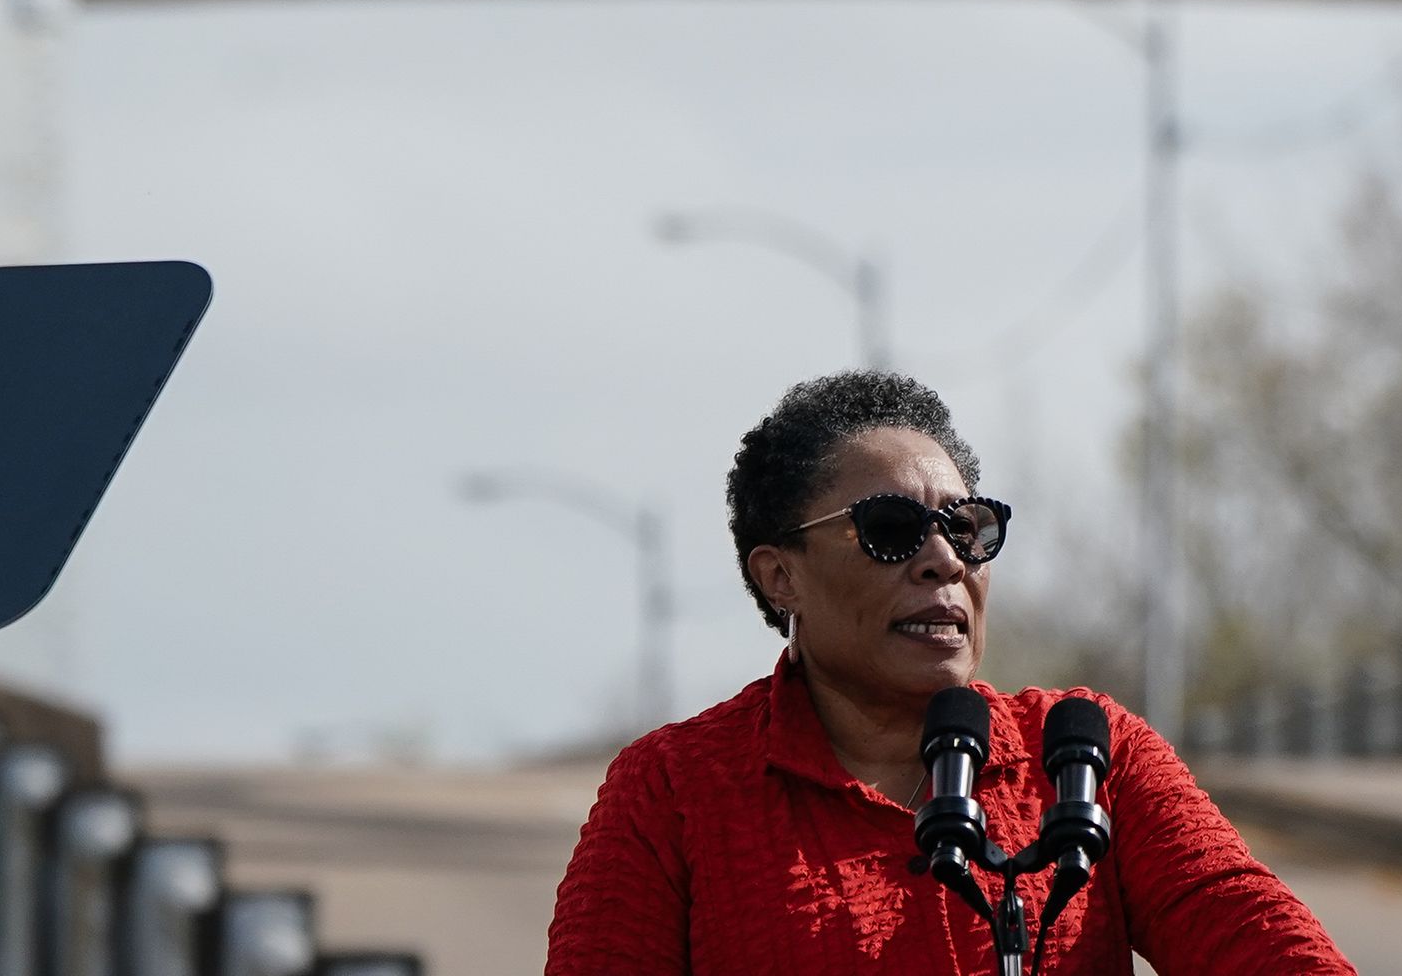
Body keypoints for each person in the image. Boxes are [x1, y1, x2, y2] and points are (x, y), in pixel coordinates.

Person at [546, 371, 1354, 975]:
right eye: (890, 529)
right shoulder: (675, 790)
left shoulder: (1086, 757)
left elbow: (1276, 955)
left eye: (965, 529)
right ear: (778, 575)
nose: (941, 560)